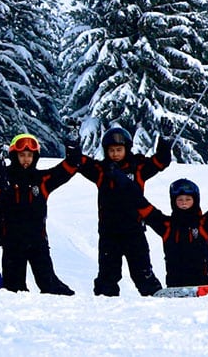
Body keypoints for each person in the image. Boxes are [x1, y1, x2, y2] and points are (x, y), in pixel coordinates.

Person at [0, 128, 78, 295]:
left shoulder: (43, 180)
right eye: (22, 155)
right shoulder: (2, 177)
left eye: (30, 155)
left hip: (38, 243)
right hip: (12, 244)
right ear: (14, 155)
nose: (26, 159)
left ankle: (69, 314)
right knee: (13, 291)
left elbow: (69, 167)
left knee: (50, 286)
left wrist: (73, 146)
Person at [71, 125, 174, 296]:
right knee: (107, 275)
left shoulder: (138, 167)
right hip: (109, 233)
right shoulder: (101, 170)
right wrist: (73, 145)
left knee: (142, 273)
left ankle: (157, 302)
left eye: (119, 150)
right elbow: (78, 162)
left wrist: (165, 141)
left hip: (134, 230)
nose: (115, 154)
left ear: (127, 149)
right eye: (111, 150)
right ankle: (104, 304)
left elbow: (161, 162)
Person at [140, 163, 208, 288]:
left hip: (202, 286)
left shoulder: (204, 224)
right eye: (180, 200)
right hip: (175, 288)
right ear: (173, 201)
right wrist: (122, 181)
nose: (184, 203)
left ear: (195, 200)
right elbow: (142, 206)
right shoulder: (166, 225)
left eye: (188, 199)